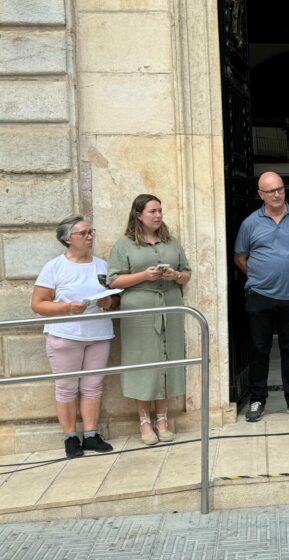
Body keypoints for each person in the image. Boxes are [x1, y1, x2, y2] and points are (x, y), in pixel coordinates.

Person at [234, 171, 289, 422]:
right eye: (270, 191)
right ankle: (257, 399)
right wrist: (260, 278)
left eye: (280, 188)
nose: (277, 194)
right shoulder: (250, 223)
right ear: (261, 194)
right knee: (259, 350)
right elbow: (240, 257)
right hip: (259, 296)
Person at [108, 194, 191, 445]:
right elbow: (113, 280)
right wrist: (144, 275)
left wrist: (175, 274)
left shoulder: (171, 242)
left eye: (160, 210)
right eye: (153, 211)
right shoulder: (124, 245)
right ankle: (144, 421)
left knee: (167, 359)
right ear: (138, 215)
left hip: (170, 306)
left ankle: (163, 419)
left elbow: (187, 274)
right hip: (140, 310)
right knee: (142, 362)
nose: (158, 215)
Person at [31, 216, 116, 458]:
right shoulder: (54, 267)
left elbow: (115, 299)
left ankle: (90, 434)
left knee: (93, 386)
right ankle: (70, 436)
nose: (90, 237)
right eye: (83, 233)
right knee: (66, 387)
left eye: (91, 232)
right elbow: (38, 304)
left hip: (99, 334)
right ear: (68, 239)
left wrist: (109, 301)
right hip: (66, 335)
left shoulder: (102, 265)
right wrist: (66, 308)